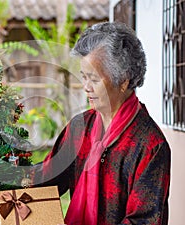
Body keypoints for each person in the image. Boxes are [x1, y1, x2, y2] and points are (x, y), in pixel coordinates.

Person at [33, 22, 171, 225]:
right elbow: (49, 176)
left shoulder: (150, 146)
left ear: (123, 81)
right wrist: (4, 173)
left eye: (94, 80)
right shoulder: (80, 127)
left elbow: (144, 220)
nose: (86, 87)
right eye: (84, 78)